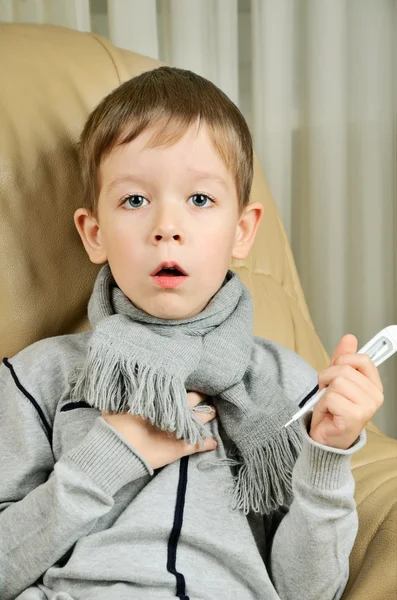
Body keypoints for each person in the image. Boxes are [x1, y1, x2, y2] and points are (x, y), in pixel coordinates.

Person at [0, 66, 384, 600]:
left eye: (200, 200)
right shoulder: (37, 377)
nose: (167, 227)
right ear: (94, 234)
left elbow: (309, 592)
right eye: (135, 200)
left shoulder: (287, 383)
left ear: (243, 231)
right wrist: (105, 458)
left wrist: (327, 454)